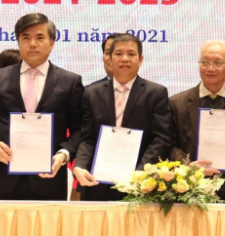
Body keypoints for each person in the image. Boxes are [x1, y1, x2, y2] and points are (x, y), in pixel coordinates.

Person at [0, 13, 84, 200]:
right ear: (18, 42)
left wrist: (64, 154)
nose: (32, 44)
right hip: (4, 179)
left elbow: (80, 129)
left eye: (40, 37)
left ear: (52, 43)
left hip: (49, 180)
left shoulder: (69, 82)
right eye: (26, 38)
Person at [73, 33, 172, 201]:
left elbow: (161, 138)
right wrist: (81, 166)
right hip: (97, 182)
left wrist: (140, 174)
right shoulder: (92, 93)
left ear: (141, 60)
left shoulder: (156, 93)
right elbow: (87, 138)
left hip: (139, 186)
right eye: (118, 53)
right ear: (109, 59)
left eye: (131, 54)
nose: (125, 58)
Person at [170, 40, 225, 203]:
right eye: (205, 62)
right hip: (190, 189)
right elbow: (169, 145)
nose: (210, 68)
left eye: (218, 63)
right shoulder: (177, 102)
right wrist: (186, 165)